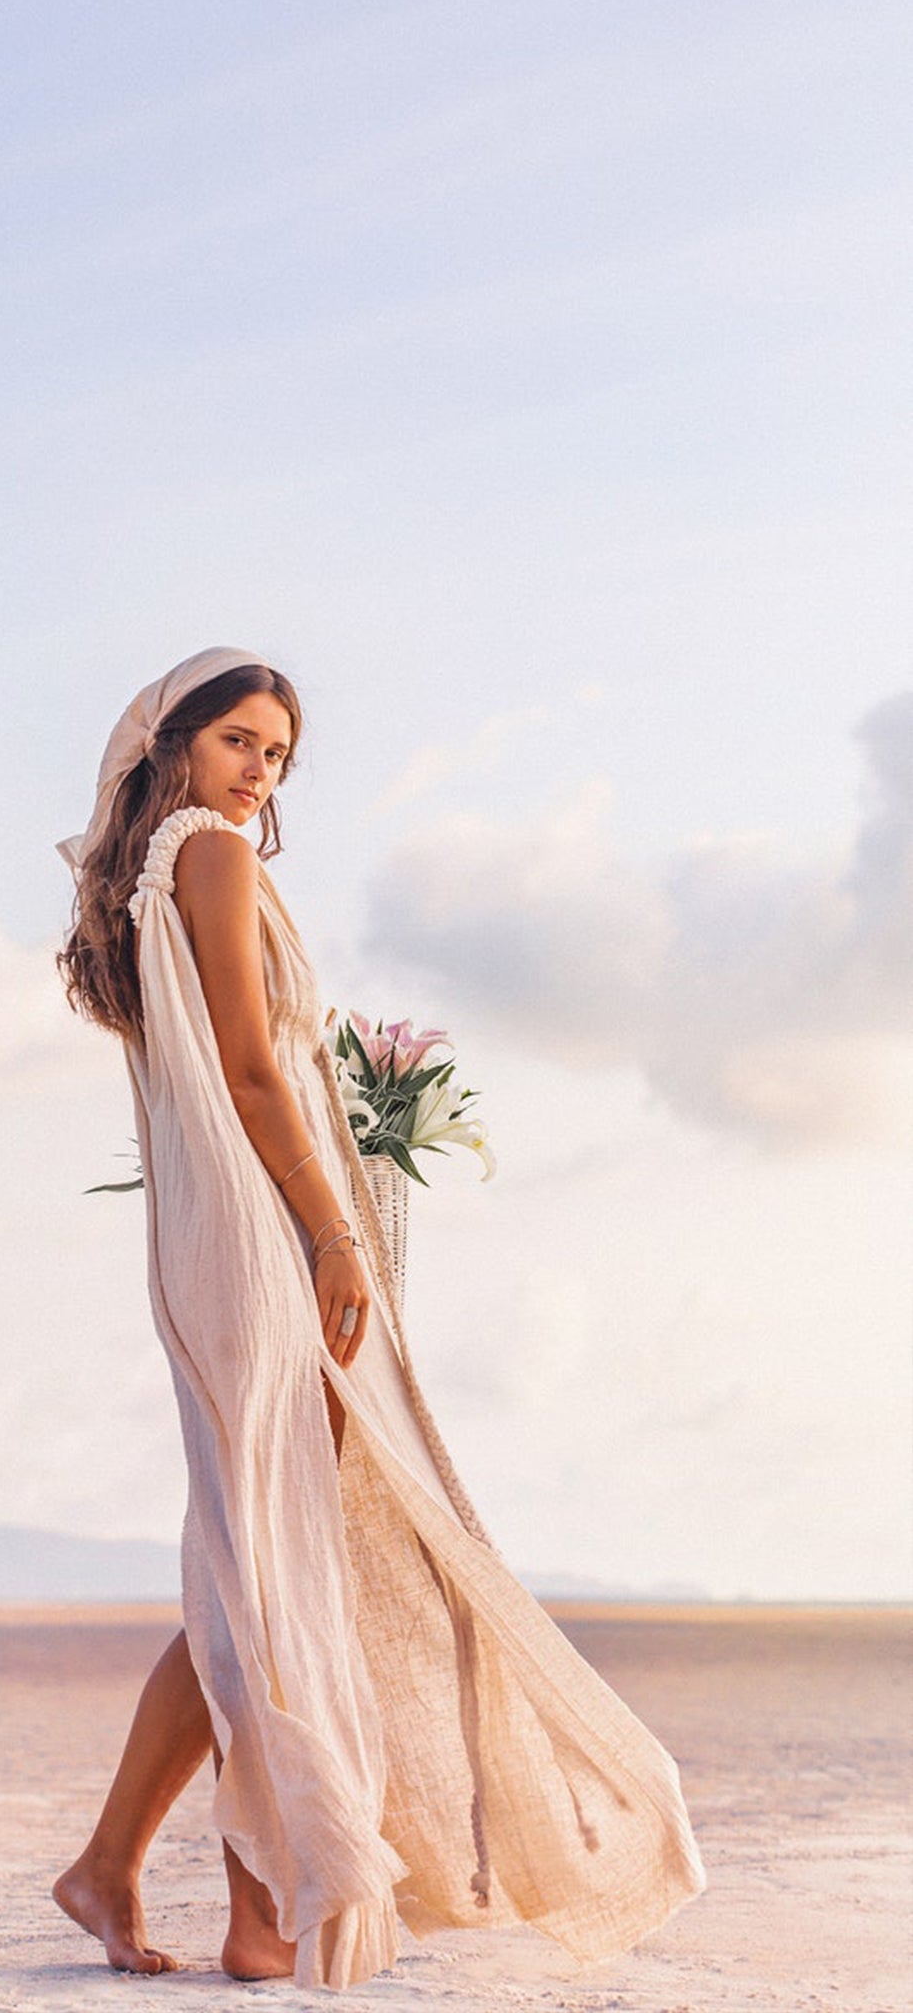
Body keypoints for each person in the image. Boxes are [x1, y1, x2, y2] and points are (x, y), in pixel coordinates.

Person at [52, 648, 705, 1990]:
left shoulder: (140, 881)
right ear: (171, 746)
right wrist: (335, 1227)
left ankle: (138, 1870)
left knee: (260, 1557)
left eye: (277, 756)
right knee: (274, 1556)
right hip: (261, 1238)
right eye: (236, 740)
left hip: (211, 1239)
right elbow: (247, 1068)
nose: (258, 772)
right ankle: (252, 1898)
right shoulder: (213, 860)